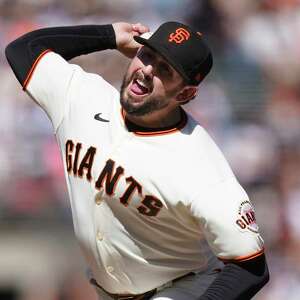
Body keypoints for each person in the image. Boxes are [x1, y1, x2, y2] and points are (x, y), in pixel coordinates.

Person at [5, 21, 269, 300]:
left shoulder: (202, 166)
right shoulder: (83, 99)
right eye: (147, 55)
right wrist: (109, 35)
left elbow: (251, 266)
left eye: (165, 70)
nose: (147, 70)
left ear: (185, 93)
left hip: (180, 289)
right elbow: (23, 50)